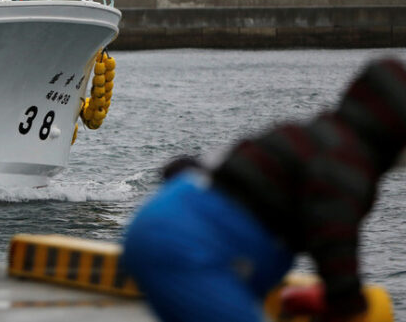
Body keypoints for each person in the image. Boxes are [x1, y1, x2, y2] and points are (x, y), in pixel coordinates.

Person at [121, 57, 406, 322]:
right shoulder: (347, 163)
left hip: (167, 214)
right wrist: (348, 305)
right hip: (187, 248)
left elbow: (192, 167)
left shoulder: (304, 133)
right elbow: (334, 237)